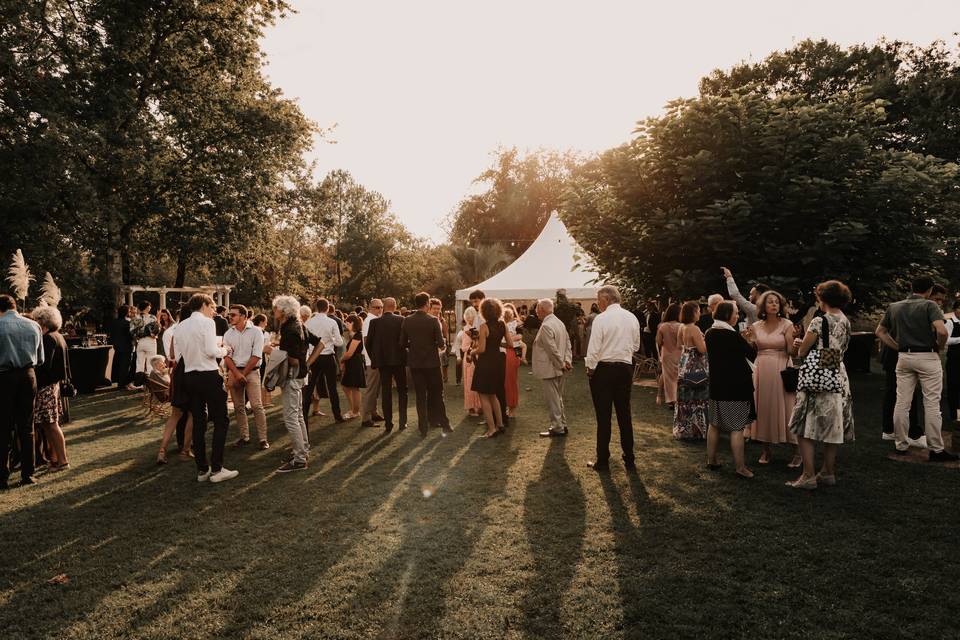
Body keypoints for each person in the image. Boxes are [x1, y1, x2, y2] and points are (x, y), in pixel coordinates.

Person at [876, 276, 957, 461]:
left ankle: (901, 445)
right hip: (927, 356)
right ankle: (936, 450)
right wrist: (940, 345)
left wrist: (897, 346)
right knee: (931, 404)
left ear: (912, 288)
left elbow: (879, 332)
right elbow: (942, 331)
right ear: (929, 290)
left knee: (902, 402)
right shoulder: (930, 306)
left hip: (904, 357)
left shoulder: (894, 307)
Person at [788, 281, 857, 488]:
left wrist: (799, 343)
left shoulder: (819, 321)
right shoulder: (845, 320)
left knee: (803, 426)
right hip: (837, 373)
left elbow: (801, 352)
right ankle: (828, 472)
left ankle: (808, 475)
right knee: (832, 426)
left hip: (817, 377)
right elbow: (836, 351)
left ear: (822, 299)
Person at [177, 293, 238, 483]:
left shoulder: (181, 326)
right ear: (204, 305)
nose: (214, 311)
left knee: (199, 420)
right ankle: (217, 469)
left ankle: (202, 469)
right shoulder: (207, 323)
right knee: (221, 420)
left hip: (189, 377)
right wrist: (225, 350)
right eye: (212, 307)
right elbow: (212, 352)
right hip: (208, 375)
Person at [585, 285, 641, 471]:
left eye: (598, 299)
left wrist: (591, 369)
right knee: (624, 414)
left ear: (606, 299)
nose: (598, 303)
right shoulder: (631, 317)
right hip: (624, 368)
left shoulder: (601, 319)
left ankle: (602, 460)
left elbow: (594, 348)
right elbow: (635, 346)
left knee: (604, 417)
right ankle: (629, 459)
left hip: (604, 369)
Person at [704, 301, 757, 478]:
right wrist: (751, 341)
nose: (737, 316)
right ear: (727, 315)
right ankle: (740, 467)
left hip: (717, 386)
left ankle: (711, 460)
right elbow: (751, 355)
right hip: (735, 387)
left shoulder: (710, 333)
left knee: (714, 425)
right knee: (737, 428)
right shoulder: (732, 336)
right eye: (735, 313)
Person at [751, 290, 801, 466]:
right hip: (761, 369)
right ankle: (766, 450)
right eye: (770, 302)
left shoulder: (787, 324)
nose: (773, 304)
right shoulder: (755, 326)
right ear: (763, 306)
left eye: (776, 302)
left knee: (787, 408)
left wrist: (795, 343)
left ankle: (798, 452)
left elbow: (791, 352)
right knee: (763, 407)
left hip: (781, 368)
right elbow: (752, 350)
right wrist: (747, 341)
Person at [0, 294, 43, 489]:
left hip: (4, 377)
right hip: (28, 375)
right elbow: (40, 358)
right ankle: (28, 474)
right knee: (26, 426)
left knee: (3, 427)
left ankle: (2, 477)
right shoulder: (33, 325)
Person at [401, 292, 451, 437]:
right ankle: (445, 424)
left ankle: (423, 426)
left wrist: (415, 345)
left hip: (416, 363)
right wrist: (435, 345)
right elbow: (441, 344)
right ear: (427, 303)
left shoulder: (407, 320)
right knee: (437, 394)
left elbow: (402, 343)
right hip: (432, 363)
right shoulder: (433, 320)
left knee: (420, 396)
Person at [223, 304, 268, 450]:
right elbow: (227, 357)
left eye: (233, 315)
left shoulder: (256, 332)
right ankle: (244, 437)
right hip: (235, 371)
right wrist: (236, 374)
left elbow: (256, 355)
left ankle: (263, 439)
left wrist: (243, 374)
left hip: (252, 371)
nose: (230, 317)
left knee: (256, 405)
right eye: (230, 314)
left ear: (243, 316)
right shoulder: (228, 334)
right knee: (238, 407)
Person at [273, 295, 310, 472]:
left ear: (283, 310)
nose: (274, 312)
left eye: (275, 308)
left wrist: (273, 352)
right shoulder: (298, 325)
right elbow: (317, 343)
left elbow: (294, 359)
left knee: (291, 417)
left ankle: (300, 458)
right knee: (298, 415)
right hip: (299, 374)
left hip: (292, 375)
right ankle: (303, 450)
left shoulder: (290, 329)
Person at [32, 305, 69, 472]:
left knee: (51, 424)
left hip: (46, 386)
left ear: (43, 322)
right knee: (49, 424)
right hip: (53, 386)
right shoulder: (59, 336)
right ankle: (55, 460)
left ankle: (62, 461)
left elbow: (44, 365)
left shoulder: (48, 339)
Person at [470, 298, 512, 438]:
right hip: (498, 361)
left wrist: (472, 352)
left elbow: (481, 349)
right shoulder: (503, 324)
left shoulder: (484, 327)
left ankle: (491, 428)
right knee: (494, 395)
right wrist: (497, 345)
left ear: (483, 311)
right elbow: (510, 344)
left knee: (484, 396)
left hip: (486, 362)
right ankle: (500, 425)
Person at [532, 298, 573, 437]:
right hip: (559, 366)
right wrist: (567, 361)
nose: (536, 312)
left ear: (542, 310)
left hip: (551, 368)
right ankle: (562, 424)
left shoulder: (546, 325)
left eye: (537, 309)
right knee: (558, 397)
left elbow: (552, 349)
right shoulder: (559, 323)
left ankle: (557, 427)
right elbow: (568, 344)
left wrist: (562, 363)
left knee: (553, 399)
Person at [367, 297, 408, 433]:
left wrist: (375, 358)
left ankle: (388, 424)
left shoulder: (374, 322)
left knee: (386, 392)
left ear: (384, 307)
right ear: (395, 306)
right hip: (399, 361)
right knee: (402, 391)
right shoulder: (401, 320)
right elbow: (405, 341)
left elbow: (369, 344)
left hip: (383, 362)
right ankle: (403, 422)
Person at [304, 298, 345, 425]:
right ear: (327, 308)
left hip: (313, 358)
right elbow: (339, 342)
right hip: (328, 357)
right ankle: (337, 415)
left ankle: (303, 415)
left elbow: (305, 342)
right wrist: (330, 339)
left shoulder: (308, 323)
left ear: (316, 308)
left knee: (309, 387)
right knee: (332, 387)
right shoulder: (331, 322)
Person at [673, 301, 709, 440]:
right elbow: (702, 349)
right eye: (698, 310)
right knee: (698, 397)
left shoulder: (682, 327)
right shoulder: (694, 328)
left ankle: (683, 430)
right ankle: (697, 431)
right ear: (693, 312)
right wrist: (705, 340)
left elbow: (678, 345)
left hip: (684, 363)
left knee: (685, 398)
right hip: (695, 366)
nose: (700, 313)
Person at [151, 356, 194, 465]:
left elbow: (171, 357)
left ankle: (162, 451)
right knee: (192, 413)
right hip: (191, 370)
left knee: (175, 415)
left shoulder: (174, 338)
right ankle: (186, 450)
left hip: (177, 373)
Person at [359, 299, 384, 428]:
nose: (379, 310)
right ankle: (366, 418)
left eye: (381, 307)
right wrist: (374, 359)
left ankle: (373, 412)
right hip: (372, 360)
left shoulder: (374, 319)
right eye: (376, 307)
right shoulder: (370, 320)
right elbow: (367, 341)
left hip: (375, 359)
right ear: (370, 308)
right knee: (371, 388)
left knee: (376, 388)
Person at [340, 314, 366, 419]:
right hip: (352, 363)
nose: (345, 324)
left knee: (354, 388)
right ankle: (353, 410)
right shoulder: (355, 335)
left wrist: (341, 360)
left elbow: (350, 353)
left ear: (352, 323)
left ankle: (355, 411)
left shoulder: (358, 335)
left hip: (355, 363)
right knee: (346, 386)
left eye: (347, 322)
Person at [656, 303, 682, 408]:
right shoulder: (682, 326)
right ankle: (678, 399)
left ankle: (671, 400)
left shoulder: (662, 326)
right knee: (679, 377)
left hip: (666, 353)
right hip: (679, 353)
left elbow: (658, 342)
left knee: (668, 378)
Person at [130, 301, 158, 389]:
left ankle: (138, 384)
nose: (150, 308)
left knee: (139, 364)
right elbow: (156, 329)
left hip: (140, 342)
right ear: (146, 307)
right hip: (150, 341)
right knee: (150, 363)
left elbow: (131, 331)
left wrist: (137, 338)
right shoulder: (152, 317)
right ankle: (150, 384)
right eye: (149, 306)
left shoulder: (135, 318)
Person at [461, 307, 482, 416]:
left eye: (472, 318)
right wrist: (473, 345)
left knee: (479, 382)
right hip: (470, 358)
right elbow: (464, 347)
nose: (470, 320)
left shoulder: (478, 329)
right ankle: (471, 408)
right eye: (468, 318)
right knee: (470, 383)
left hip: (479, 357)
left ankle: (480, 406)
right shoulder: (466, 330)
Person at [503, 304, 523, 417]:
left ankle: (512, 407)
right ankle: (505, 406)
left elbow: (519, 337)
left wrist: (507, 339)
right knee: (503, 381)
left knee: (510, 381)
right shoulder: (501, 324)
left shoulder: (517, 324)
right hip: (502, 353)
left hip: (511, 353)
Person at [109, 305, 135, 389]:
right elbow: (131, 335)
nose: (130, 313)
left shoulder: (114, 322)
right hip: (126, 346)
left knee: (119, 365)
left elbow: (112, 334)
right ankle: (122, 384)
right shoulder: (127, 323)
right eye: (129, 311)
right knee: (125, 366)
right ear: (126, 313)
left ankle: (120, 383)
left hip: (117, 346)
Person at [944, 299, 960, 424]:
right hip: (954, 360)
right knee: (953, 386)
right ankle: (954, 414)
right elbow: (947, 340)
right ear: (956, 309)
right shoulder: (949, 322)